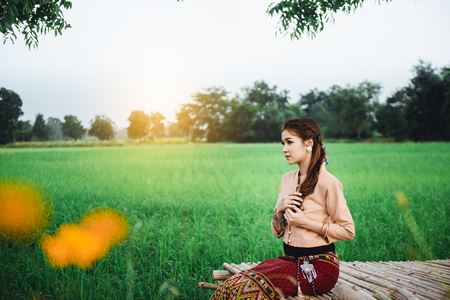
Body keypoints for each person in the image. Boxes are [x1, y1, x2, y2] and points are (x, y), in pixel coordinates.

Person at [210, 118, 355, 300]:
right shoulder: (287, 179)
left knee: (245, 293)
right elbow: (277, 232)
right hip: (289, 262)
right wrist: (279, 210)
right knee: (230, 287)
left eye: (289, 142)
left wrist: (305, 222)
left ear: (308, 143)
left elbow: (348, 230)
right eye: (282, 143)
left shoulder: (328, 183)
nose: (284, 149)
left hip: (318, 268)